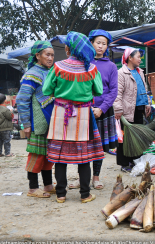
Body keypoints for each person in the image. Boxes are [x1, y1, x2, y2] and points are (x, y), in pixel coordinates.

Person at [43, 32, 104, 203]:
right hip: (83, 115)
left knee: (60, 157)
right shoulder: (92, 69)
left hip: (60, 114)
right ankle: (85, 194)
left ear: (69, 48)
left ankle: (61, 194)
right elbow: (98, 91)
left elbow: (47, 90)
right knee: (84, 157)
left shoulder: (58, 67)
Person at [16, 41, 55, 198]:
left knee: (48, 154)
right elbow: (22, 99)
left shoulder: (50, 71)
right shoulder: (32, 74)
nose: (51, 58)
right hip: (37, 122)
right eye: (47, 54)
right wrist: (26, 124)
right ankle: (33, 187)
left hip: (49, 121)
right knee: (36, 154)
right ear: (37, 56)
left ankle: (47, 185)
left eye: (52, 55)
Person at [86, 29, 118, 189]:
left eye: (104, 44)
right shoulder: (84, 62)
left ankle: (96, 177)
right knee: (83, 145)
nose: (100, 46)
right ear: (91, 43)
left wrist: (101, 108)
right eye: (98, 42)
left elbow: (113, 91)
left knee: (98, 146)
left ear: (107, 46)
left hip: (102, 111)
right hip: (84, 110)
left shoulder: (111, 66)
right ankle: (82, 178)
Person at [114, 47, 151, 172]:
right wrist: (118, 109)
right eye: (138, 57)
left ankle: (135, 161)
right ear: (130, 57)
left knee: (137, 136)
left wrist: (148, 103)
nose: (140, 59)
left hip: (139, 108)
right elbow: (117, 93)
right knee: (125, 138)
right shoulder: (121, 73)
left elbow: (144, 89)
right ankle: (124, 163)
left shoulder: (140, 72)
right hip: (127, 110)